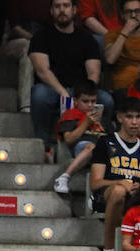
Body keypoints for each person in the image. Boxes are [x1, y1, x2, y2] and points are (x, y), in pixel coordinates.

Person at [30, 0, 110, 154]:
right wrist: (64, 93)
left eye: (65, 6)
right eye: (57, 6)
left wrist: (84, 94)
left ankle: (97, 142)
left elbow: (93, 72)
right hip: (52, 89)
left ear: (74, 10)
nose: (62, 10)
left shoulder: (87, 39)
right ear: (51, 11)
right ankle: (44, 144)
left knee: (106, 100)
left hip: (80, 90)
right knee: (39, 94)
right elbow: (42, 70)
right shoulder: (41, 37)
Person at [92, 96, 140, 251]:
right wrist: (120, 183)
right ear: (119, 118)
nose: (134, 122)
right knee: (119, 192)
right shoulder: (105, 142)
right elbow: (95, 183)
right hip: (109, 193)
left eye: (138, 117)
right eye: (129, 117)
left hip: (137, 195)